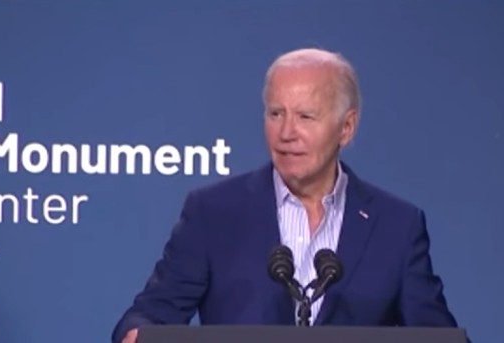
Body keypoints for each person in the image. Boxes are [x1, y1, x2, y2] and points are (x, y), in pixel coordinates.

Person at [112, 47, 462, 343]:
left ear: (347, 127)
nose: (286, 133)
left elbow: (433, 333)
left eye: (305, 116)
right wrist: (137, 334)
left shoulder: (396, 226)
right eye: (276, 114)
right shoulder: (213, 212)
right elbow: (150, 315)